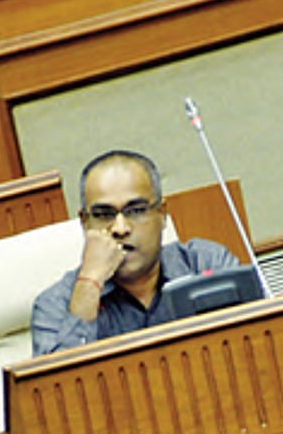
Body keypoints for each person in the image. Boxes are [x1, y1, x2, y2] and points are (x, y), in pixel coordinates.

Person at [31, 150, 239, 355]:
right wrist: (90, 283)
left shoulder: (205, 265)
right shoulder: (56, 304)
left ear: (162, 214)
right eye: (104, 215)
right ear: (85, 223)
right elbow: (59, 386)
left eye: (137, 211)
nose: (120, 229)